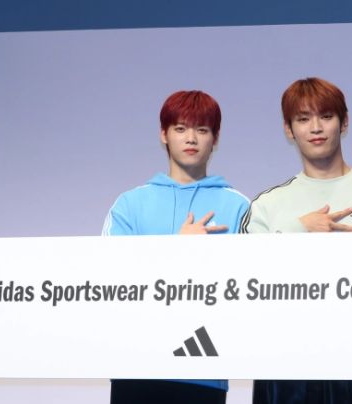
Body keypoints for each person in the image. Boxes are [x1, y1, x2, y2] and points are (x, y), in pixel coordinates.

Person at [240, 77, 352, 404]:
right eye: (303, 119)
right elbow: (243, 286)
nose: (316, 128)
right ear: (289, 130)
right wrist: (299, 229)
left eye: (326, 116)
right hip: (279, 370)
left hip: (350, 367)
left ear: (344, 123)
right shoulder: (266, 206)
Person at [103, 90, 249, 404]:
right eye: (180, 128)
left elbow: (252, 289)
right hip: (135, 367)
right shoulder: (129, 204)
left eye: (202, 129)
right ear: (164, 134)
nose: (191, 138)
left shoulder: (240, 207)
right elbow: (110, 284)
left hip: (203, 370)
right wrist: (176, 251)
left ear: (215, 138)